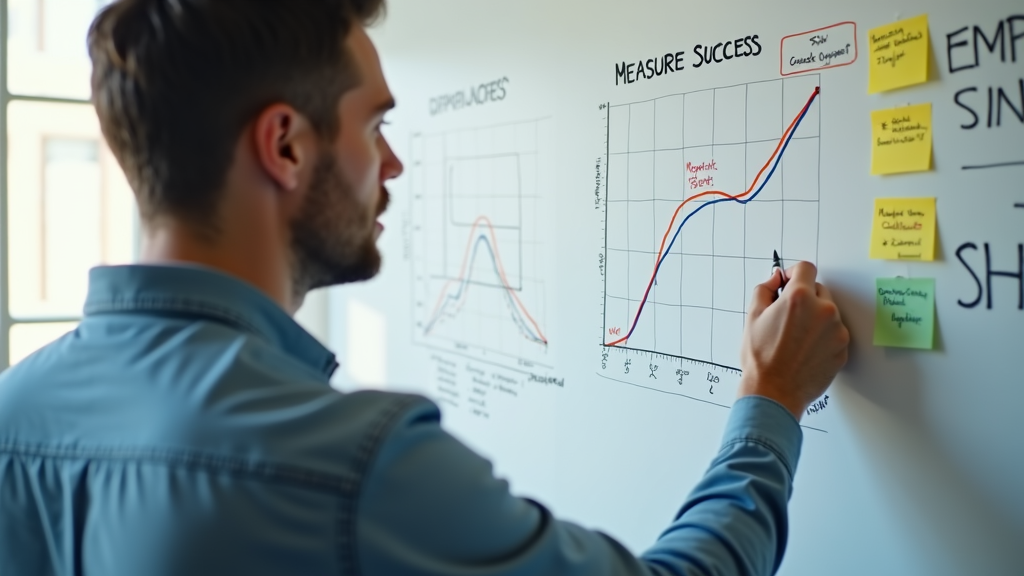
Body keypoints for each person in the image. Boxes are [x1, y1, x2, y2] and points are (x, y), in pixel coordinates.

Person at [0, 1, 850, 574]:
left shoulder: (14, 413)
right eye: (377, 123)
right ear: (286, 146)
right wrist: (770, 401)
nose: (395, 163)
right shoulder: (353, 464)